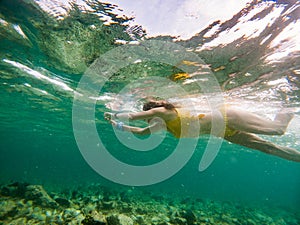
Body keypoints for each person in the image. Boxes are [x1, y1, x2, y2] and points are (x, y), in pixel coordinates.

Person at [104, 99, 300, 162]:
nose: (148, 119)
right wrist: (116, 126)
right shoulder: (160, 124)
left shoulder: (164, 111)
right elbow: (140, 132)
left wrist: (114, 114)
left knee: (277, 130)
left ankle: (290, 103)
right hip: (224, 132)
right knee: (268, 148)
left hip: (227, 117)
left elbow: (131, 116)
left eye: (147, 115)